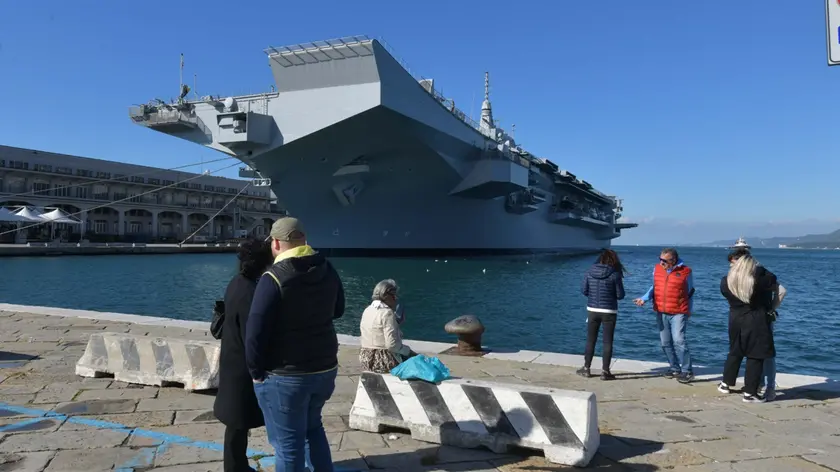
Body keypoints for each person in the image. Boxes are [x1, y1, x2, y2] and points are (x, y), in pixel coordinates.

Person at [245, 217, 345, 471]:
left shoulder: (273, 277)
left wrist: (256, 373)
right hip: (324, 368)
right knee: (314, 428)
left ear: (276, 242)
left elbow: (255, 330)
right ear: (303, 239)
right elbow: (339, 310)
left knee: (288, 445)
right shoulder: (328, 267)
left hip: (287, 374)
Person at [214, 238, 274, 472]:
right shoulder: (251, 291)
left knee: (236, 422)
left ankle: (237, 465)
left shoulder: (236, 283)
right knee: (238, 422)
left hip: (231, 358)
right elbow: (253, 335)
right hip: (242, 365)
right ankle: (235, 468)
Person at [722, 249, 787, 401]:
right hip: (757, 318)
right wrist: (771, 307)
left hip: (736, 318)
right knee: (757, 355)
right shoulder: (761, 281)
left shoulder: (726, 281)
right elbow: (777, 285)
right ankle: (751, 392)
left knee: (736, 351)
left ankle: (728, 383)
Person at [634, 248, 695, 383]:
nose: (661, 263)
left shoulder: (686, 272)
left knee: (679, 340)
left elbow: (690, 292)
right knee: (665, 342)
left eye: (664, 261)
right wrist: (644, 298)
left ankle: (687, 371)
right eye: (660, 259)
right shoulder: (657, 269)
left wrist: (689, 311)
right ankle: (674, 368)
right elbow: (654, 287)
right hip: (661, 310)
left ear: (673, 260)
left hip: (679, 311)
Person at [577, 249, 626, 380]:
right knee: (607, 342)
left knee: (590, 340)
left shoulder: (589, 272)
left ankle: (586, 369)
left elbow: (584, 290)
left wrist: (593, 296)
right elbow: (620, 295)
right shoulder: (615, 274)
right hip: (609, 311)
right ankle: (605, 372)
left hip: (592, 310)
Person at [359, 279, 416, 373]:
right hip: (381, 360)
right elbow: (392, 345)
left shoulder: (367, 310)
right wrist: (408, 351)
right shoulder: (387, 313)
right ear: (386, 296)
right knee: (416, 361)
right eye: (394, 295)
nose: (396, 298)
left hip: (365, 358)